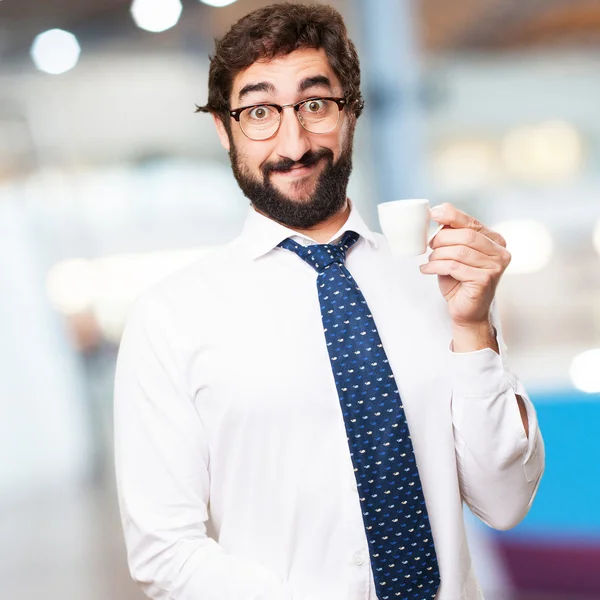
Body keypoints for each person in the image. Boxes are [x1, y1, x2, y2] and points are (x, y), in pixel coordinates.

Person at [114, 4, 544, 600]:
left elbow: (504, 501)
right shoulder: (171, 319)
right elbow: (165, 554)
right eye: (260, 111)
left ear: (351, 112)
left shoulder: (436, 279)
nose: (294, 142)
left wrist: (475, 329)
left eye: (315, 104)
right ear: (224, 128)